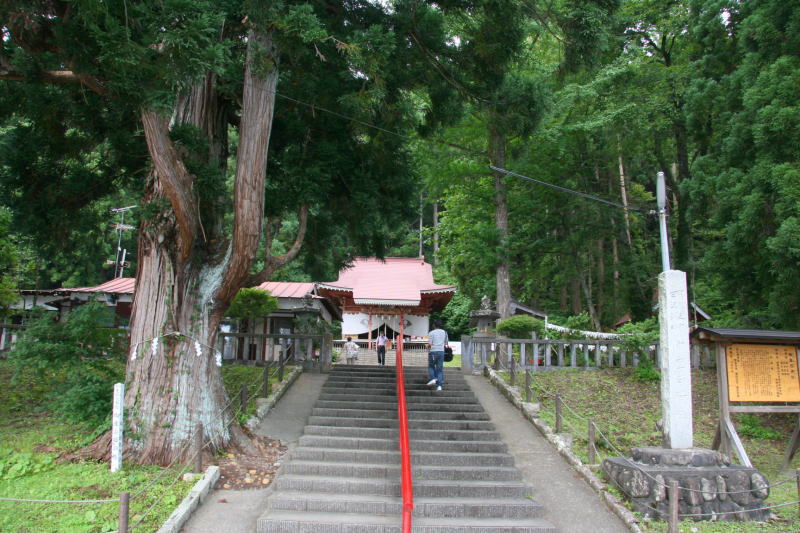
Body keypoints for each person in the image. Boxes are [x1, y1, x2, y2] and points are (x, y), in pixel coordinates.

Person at [426, 320, 448, 391]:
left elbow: (430, 344)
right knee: (440, 370)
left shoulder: (431, 333)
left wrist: (426, 346)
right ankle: (439, 386)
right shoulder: (444, 332)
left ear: (434, 325)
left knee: (431, 366)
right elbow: (446, 342)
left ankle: (433, 379)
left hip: (433, 351)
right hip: (441, 351)